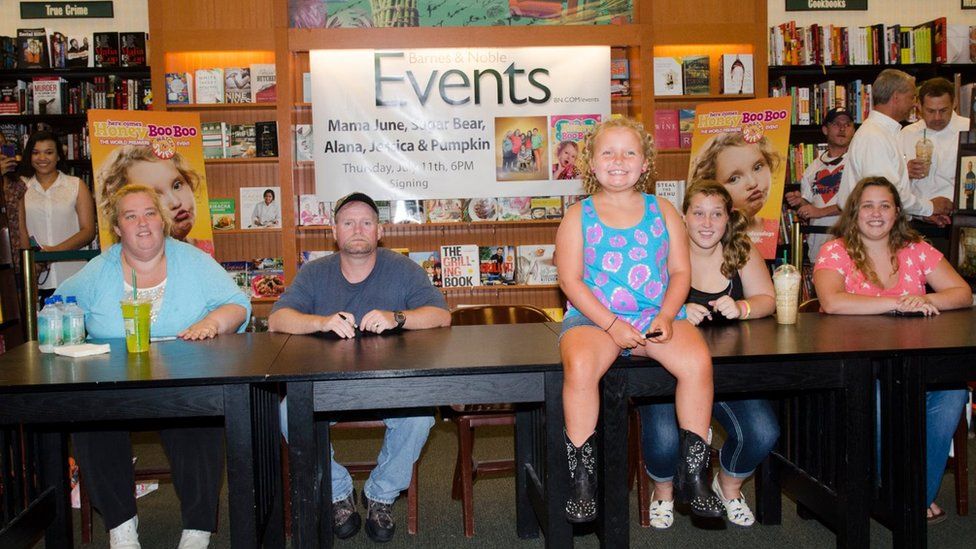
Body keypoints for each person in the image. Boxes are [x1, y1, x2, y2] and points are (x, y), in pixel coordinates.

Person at [58, 184, 250, 549]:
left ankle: (197, 529)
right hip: (115, 387)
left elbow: (236, 303)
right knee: (89, 418)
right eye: (130, 216)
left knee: (197, 422)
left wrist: (213, 323)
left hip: (182, 384)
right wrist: (71, 334)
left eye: (149, 214)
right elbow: (57, 306)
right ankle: (121, 527)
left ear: (162, 221)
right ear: (117, 228)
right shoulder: (99, 270)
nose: (142, 223)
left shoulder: (192, 260)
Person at [555, 117, 722, 523]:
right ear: (591, 164)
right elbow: (570, 280)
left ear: (645, 162)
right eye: (607, 152)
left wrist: (666, 314)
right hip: (595, 318)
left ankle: (695, 473)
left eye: (629, 152)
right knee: (579, 366)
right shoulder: (578, 215)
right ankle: (580, 477)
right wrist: (611, 325)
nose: (618, 160)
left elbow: (681, 272)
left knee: (698, 362)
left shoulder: (662, 209)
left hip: (655, 314)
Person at [269, 191, 450, 543]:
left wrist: (397, 317)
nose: (357, 229)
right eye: (348, 222)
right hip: (328, 386)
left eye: (366, 222)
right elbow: (278, 319)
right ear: (334, 232)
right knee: (287, 413)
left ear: (379, 231)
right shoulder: (315, 272)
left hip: (392, 383)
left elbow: (440, 316)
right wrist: (320, 322)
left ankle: (380, 495)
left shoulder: (402, 269)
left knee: (420, 416)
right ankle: (339, 493)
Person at [813, 176, 971, 525]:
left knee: (953, 395)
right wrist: (898, 303)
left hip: (916, 363)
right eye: (867, 205)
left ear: (897, 212)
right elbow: (832, 302)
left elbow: (961, 293)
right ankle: (891, 491)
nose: (876, 213)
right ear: (854, 212)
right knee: (882, 401)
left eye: (885, 205)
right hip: (859, 368)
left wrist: (925, 299)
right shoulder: (835, 250)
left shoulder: (917, 249)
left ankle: (913, 496)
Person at [639, 179, 778, 528]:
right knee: (665, 440)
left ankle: (727, 486)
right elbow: (640, 304)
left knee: (763, 431)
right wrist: (679, 309)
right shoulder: (663, 251)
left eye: (716, 214)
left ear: (728, 218)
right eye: (698, 213)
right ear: (682, 217)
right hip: (665, 370)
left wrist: (743, 307)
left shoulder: (740, 249)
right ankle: (663, 492)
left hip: (726, 373)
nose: (706, 222)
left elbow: (767, 299)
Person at [838, 69, 952, 221]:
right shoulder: (875, 136)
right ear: (896, 97)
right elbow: (886, 195)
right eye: (912, 97)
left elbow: (892, 195)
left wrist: (923, 215)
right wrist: (930, 207)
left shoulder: (883, 133)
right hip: (872, 229)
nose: (914, 104)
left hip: (877, 226)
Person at [18, 131, 96, 298]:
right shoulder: (20, 188)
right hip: (35, 277)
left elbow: (88, 231)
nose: (42, 158)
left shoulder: (76, 185)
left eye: (49, 152)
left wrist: (54, 252)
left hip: (73, 274)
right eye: (36, 152)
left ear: (59, 156)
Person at [96, 144, 213, 255]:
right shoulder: (119, 263)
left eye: (177, 185)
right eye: (155, 195)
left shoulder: (207, 252)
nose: (175, 202)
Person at [899, 77, 971, 227]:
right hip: (917, 221)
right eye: (931, 111)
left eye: (943, 110)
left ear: (955, 103)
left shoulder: (970, 129)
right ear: (918, 106)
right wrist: (905, 172)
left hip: (961, 220)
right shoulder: (906, 134)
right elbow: (892, 183)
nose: (937, 117)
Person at [785, 107, 854, 262]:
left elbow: (859, 203)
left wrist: (820, 212)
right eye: (836, 124)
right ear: (825, 129)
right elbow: (811, 205)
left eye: (847, 124)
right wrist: (800, 202)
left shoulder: (857, 162)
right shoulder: (813, 167)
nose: (842, 128)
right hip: (819, 244)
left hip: (850, 244)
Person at [688, 131, 781, 244]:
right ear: (713, 188)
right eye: (734, 179)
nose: (752, 183)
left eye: (757, 167)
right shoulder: (708, 237)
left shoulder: (777, 229)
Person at [0, 132, 26, 275]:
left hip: (12, 260)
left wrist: (27, 262)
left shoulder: (17, 184)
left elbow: (21, 228)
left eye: (2, 146)